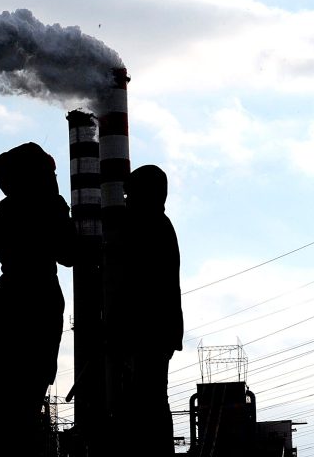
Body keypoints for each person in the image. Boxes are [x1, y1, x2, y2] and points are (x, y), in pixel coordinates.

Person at [0, 142, 77, 457]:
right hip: (39, 298)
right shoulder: (48, 204)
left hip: (9, 298)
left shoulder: (6, 209)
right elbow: (69, 253)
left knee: (6, 391)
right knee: (29, 393)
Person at [118, 164, 183, 456]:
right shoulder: (158, 224)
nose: (126, 201)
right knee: (151, 400)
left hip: (148, 332)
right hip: (156, 331)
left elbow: (136, 285)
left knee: (147, 402)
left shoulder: (149, 227)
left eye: (130, 195)